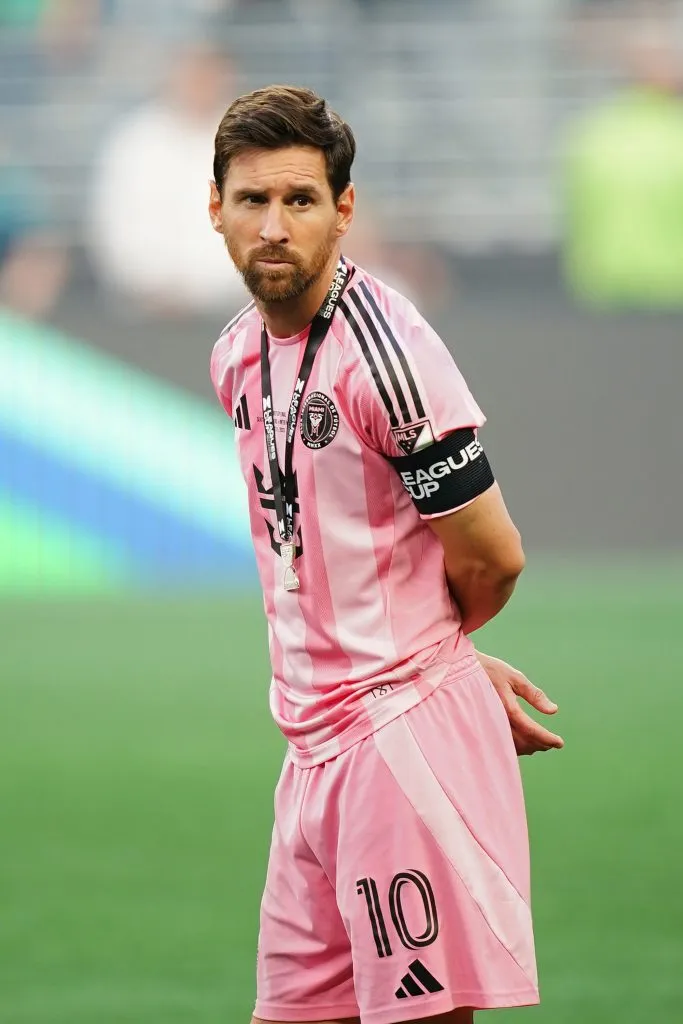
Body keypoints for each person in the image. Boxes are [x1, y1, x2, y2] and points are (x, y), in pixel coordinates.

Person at [208, 85, 563, 1024]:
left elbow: (493, 555)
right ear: (216, 211)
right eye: (252, 201)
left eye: (300, 200)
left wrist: (432, 665)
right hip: (310, 752)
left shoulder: (386, 354)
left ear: (344, 210)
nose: (274, 226)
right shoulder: (237, 355)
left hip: (396, 742)